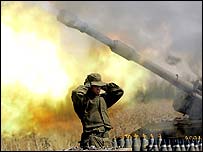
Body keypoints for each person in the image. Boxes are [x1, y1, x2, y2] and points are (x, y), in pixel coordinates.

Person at [71, 73, 124, 149]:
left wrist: (104, 86)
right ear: (90, 86)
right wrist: (87, 86)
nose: (99, 88)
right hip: (92, 138)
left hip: (105, 138)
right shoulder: (84, 101)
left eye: (100, 86)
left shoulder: (103, 99)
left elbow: (119, 92)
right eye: (96, 86)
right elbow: (76, 93)